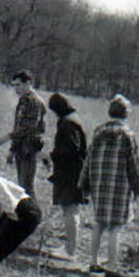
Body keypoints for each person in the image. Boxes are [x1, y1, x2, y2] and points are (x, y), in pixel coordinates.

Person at [79, 94, 139, 277]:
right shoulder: (127, 136)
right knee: (115, 227)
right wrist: (138, 188)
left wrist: (84, 184)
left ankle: (93, 262)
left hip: (99, 184)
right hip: (119, 186)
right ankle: (112, 266)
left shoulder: (98, 132)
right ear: (126, 114)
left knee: (99, 223)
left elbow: (89, 159)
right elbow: (133, 164)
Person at [46, 93, 88, 260]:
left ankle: (70, 250)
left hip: (70, 174)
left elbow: (71, 150)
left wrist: (51, 155)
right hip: (75, 173)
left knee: (69, 210)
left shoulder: (68, 123)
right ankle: (70, 247)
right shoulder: (73, 119)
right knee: (72, 210)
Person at [0, 70, 46, 198]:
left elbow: (28, 128)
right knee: (21, 187)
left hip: (29, 148)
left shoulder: (34, 102)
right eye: (14, 85)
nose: (16, 89)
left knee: (27, 187)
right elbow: (18, 126)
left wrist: (7, 137)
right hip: (20, 147)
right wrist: (12, 150)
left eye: (18, 85)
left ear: (28, 83)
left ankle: (33, 215)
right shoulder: (23, 101)